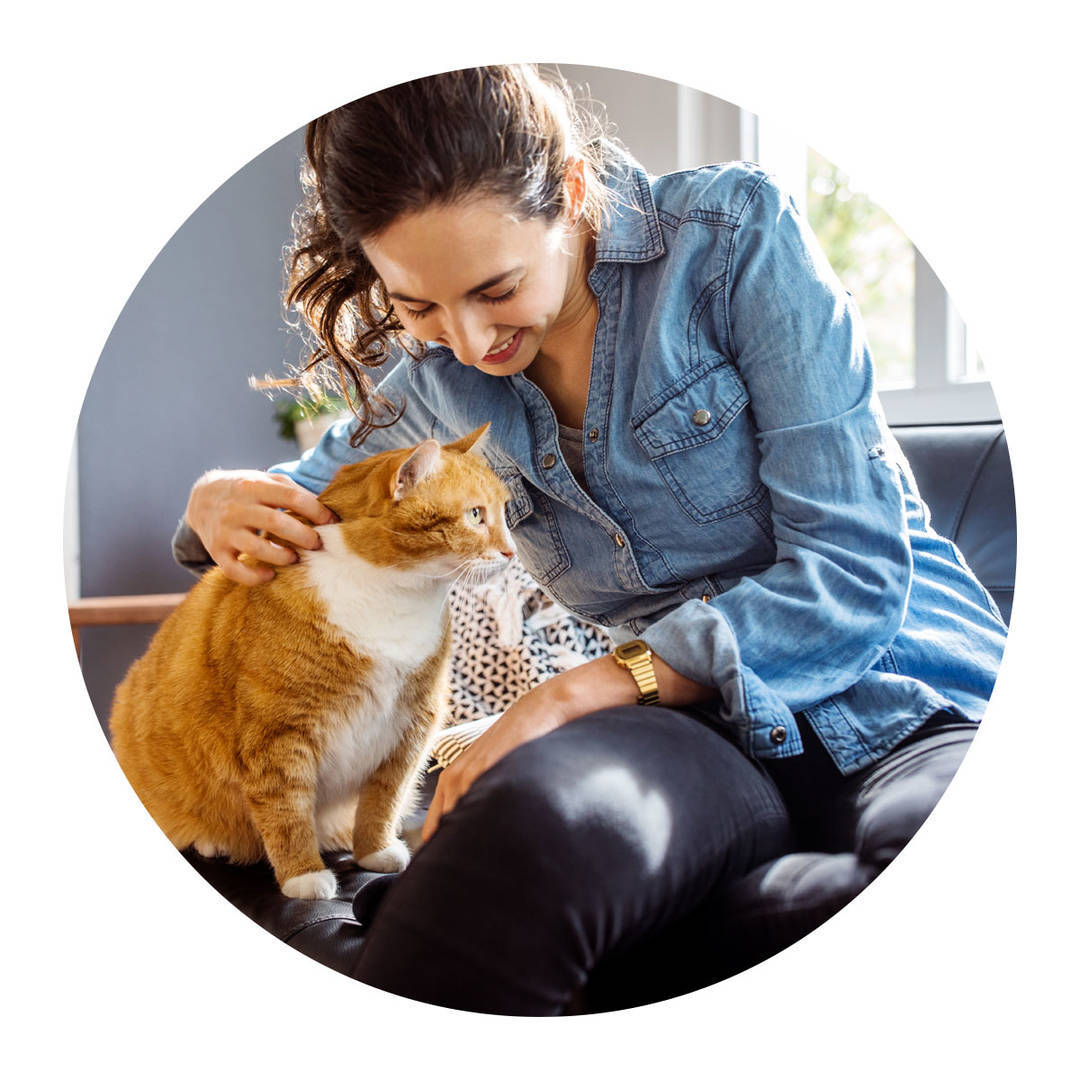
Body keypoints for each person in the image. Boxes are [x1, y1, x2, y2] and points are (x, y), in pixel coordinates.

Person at [175, 65, 1007, 1014]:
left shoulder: (732, 239)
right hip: (694, 738)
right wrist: (214, 501)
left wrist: (581, 693)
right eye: (418, 307)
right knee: (524, 849)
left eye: (497, 287)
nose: (468, 338)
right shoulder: (436, 380)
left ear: (571, 191)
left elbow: (851, 572)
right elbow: (301, 493)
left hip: (900, 692)